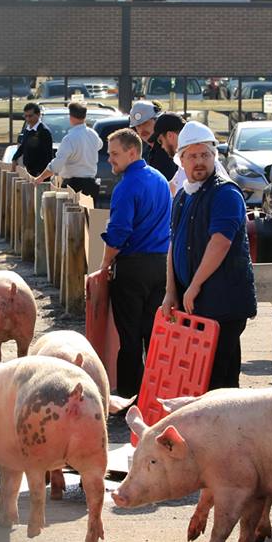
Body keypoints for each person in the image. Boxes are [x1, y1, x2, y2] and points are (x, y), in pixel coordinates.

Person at [162, 121, 257, 391]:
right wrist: (171, 291)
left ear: (214, 156)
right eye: (192, 156)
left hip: (221, 304)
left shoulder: (225, 193)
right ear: (181, 160)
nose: (199, 161)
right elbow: (174, 243)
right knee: (196, 379)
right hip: (194, 303)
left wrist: (194, 285)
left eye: (205, 154)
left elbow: (220, 243)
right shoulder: (182, 195)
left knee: (220, 382)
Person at [99, 129, 172, 398]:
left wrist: (105, 264)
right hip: (161, 266)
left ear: (133, 152)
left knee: (128, 337)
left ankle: (130, 395)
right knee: (153, 334)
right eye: (109, 155)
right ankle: (155, 392)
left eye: (115, 154)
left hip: (132, 268)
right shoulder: (161, 180)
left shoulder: (127, 186)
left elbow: (118, 233)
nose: (110, 160)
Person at [32, 102, 102, 201]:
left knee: (70, 215)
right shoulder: (93, 134)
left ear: (71, 117)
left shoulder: (69, 139)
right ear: (84, 116)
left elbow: (57, 165)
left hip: (73, 185)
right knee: (88, 215)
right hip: (91, 184)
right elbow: (100, 145)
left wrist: (41, 177)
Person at [11, 102, 54, 176]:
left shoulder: (44, 131)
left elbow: (48, 155)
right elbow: (23, 146)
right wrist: (14, 158)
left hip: (40, 174)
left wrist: (41, 174)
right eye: (26, 116)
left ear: (38, 115)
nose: (28, 119)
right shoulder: (27, 130)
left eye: (30, 116)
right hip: (29, 171)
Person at [146, 112, 184, 182]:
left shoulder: (190, 158)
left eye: (160, 141)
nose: (162, 146)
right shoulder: (184, 159)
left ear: (170, 135)